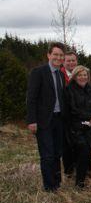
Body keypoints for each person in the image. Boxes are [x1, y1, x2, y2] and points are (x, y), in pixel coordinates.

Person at [26, 42, 67, 192]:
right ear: (48, 55)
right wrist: (32, 120)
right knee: (47, 155)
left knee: (57, 154)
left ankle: (57, 183)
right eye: (55, 54)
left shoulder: (61, 74)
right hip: (43, 121)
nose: (58, 57)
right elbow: (31, 98)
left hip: (59, 119)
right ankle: (49, 187)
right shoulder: (38, 72)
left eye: (61, 55)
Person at [63, 65, 91, 188]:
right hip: (74, 127)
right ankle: (75, 180)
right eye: (80, 75)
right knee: (80, 151)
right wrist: (89, 117)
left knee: (86, 153)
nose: (83, 77)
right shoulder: (69, 89)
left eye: (85, 75)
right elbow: (72, 109)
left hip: (89, 127)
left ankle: (81, 180)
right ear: (75, 76)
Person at [60, 51, 78, 177]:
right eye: (68, 60)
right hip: (64, 116)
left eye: (73, 60)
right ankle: (69, 172)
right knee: (66, 144)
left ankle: (80, 170)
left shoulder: (80, 74)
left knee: (79, 144)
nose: (71, 62)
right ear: (64, 62)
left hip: (78, 116)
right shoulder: (59, 75)